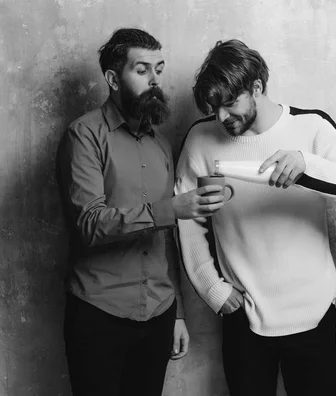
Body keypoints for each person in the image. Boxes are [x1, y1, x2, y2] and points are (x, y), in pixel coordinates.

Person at [175, 39, 336, 396]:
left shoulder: (311, 127)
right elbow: (186, 218)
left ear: (257, 87)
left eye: (229, 103)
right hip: (243, 315)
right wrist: (211, 287)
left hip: (313, 313)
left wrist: (307, 166)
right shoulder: (200, 139)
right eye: (214, 106)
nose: (222, 117)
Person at [56, 28, 225, 396]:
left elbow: (166, 238)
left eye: (159, 70)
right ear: (113, 79)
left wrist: (177, 312)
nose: (154, 80)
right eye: (142, 70)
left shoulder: (161, 144)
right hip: (99, 313)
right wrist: (168, 209)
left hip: (159, 313)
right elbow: (88, 223)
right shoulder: (83, 135)